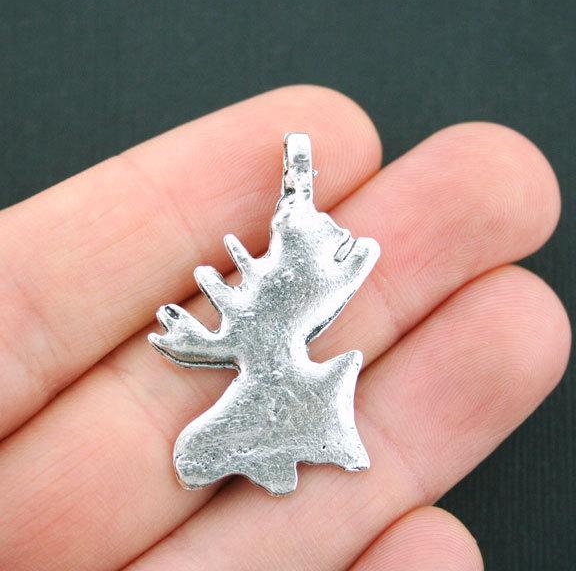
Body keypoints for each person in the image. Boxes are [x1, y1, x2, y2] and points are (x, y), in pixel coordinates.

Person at [0, 85, 570, 571]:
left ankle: (276, 449)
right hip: (280, 374)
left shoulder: (300, 278)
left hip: (288, 371)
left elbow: (321, 280)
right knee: (205, 450)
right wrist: (194, 342)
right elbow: (240, 342)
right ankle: (274, 451)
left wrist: (200, 339)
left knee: (209, 447)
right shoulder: (270, 313)